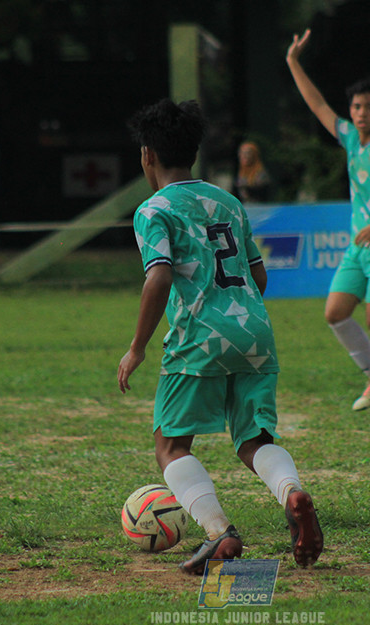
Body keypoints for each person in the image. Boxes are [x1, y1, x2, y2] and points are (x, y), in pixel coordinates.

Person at [117, 98, 323, 575]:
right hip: (255, 330)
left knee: (171, 446)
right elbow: (258, 274)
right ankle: (292, 492)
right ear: (192, 150)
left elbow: (160, 277)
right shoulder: (228, 200)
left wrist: (137, 347)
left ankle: (218, 532)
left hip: (198, 337)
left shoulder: (154, 210)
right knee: (253, 440)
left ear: (147, 155)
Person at [286, 29, 370, 419]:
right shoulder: (349, 138)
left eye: (368, 106)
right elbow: (316, 105)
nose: (360, 112)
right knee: (335, 313)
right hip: (359, 245)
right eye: (356, 106)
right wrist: (293, 61)